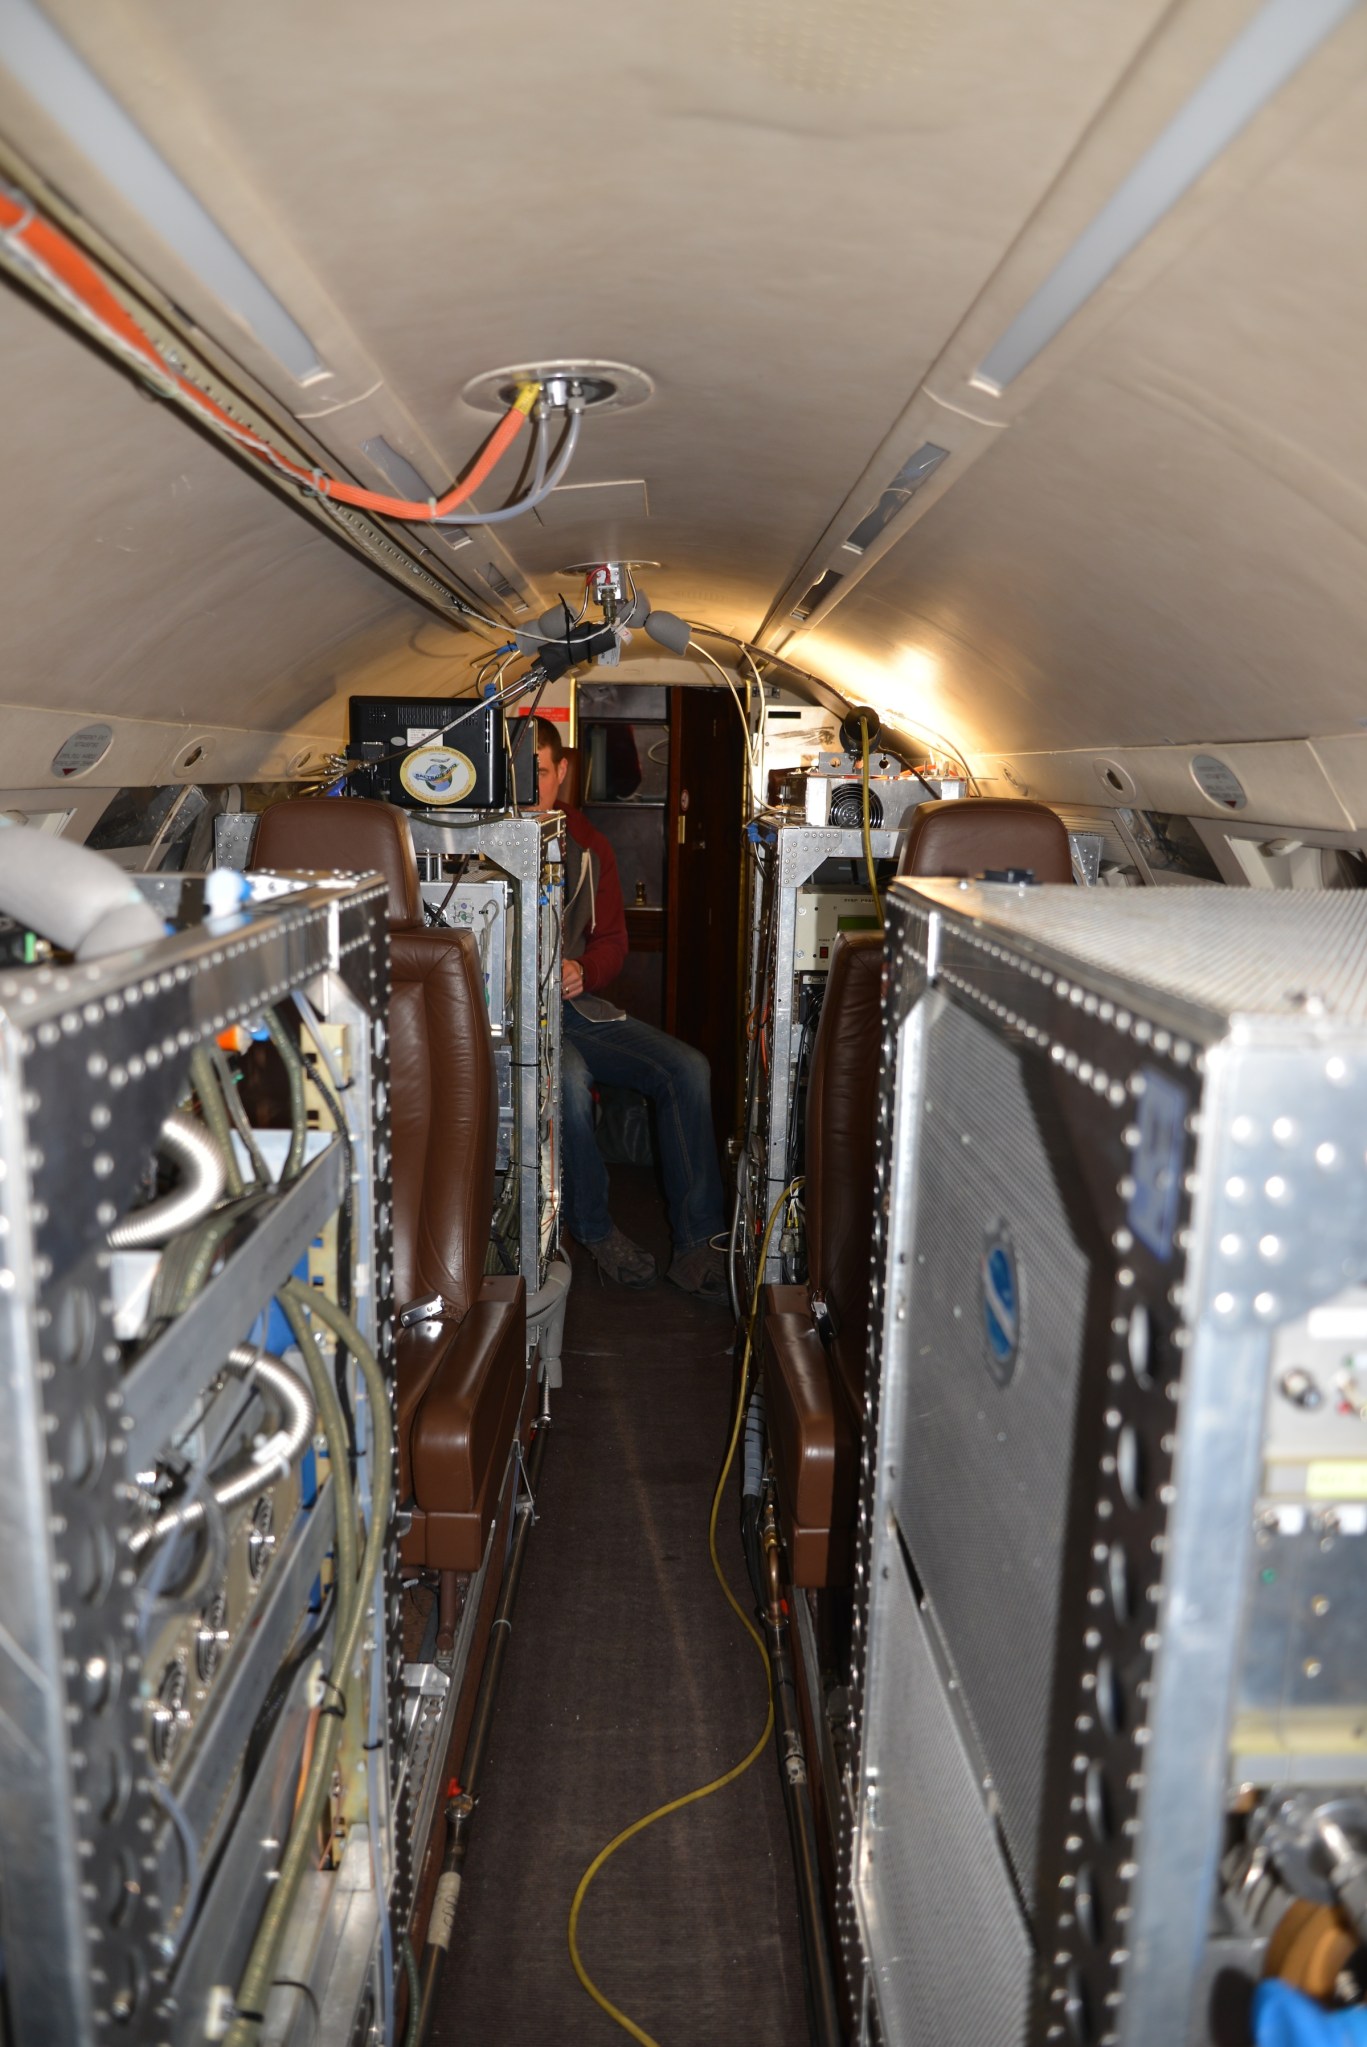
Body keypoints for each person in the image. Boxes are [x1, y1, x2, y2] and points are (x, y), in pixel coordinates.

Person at [531, 718, 729, 1301]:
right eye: (516, 774)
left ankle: (700, 1244)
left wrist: (583, 971)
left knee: (687, 1068)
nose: (527, 786)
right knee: (566, 1081)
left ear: (561, 772)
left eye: (538, 773)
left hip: (572, 1009)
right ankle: (595, 1230)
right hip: (513, 1021)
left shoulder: (589, 847)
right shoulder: (470, 841)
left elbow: (612, 943)